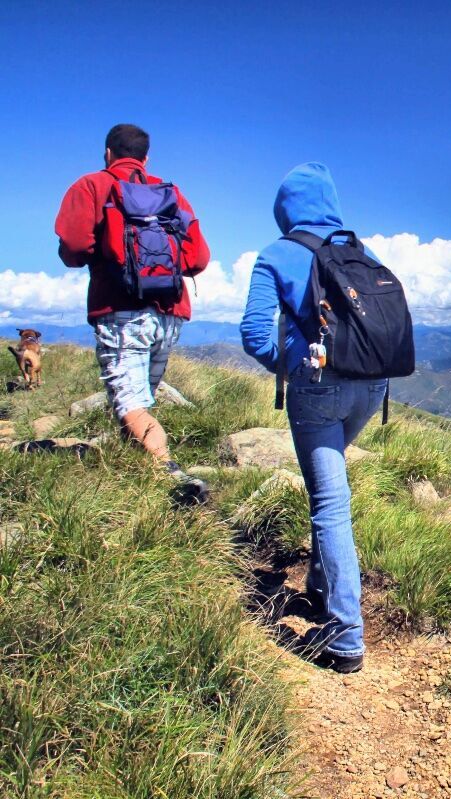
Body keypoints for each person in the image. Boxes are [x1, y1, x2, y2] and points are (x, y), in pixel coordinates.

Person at [239, 162, 387, 674]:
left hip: (319, 391)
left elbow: (256, 334)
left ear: (285, 207)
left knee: (329, 501)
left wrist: (301, 364)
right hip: (374, 386)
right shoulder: (361, 252)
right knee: (332, 484)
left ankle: (346, 637)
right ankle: (321, 588)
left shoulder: (276, 254)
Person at [55, 123, 211, 503]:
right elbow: (199, 257)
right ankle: (135, 482)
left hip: (121, 310)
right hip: (170, 314)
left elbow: (73, 246)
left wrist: (106, 255)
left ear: (108, 153)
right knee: (139, 402)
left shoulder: (92, 186)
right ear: (145, 157)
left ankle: (172, 477)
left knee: (132, 405)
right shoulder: (170, 193)